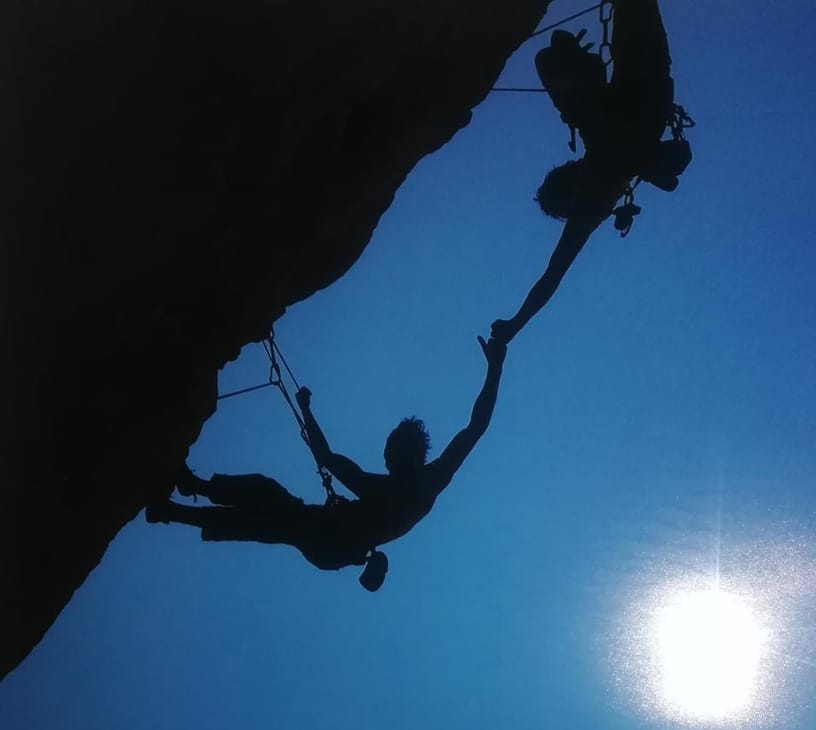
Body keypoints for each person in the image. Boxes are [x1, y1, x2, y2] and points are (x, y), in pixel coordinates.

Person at [146, 335, 507, 591]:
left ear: (409, 453)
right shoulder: (401, 484)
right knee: (266, 502)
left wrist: (495, 367)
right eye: (386, 449)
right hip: (330, 538)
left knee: (265, 515)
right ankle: (184, 496)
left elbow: (476, 427)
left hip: (332, 542)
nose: (385, 456)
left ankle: (179, 503)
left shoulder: (414, 484)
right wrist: (306, 410)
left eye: (390, 449)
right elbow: (328, 458)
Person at [492, 0, 691, 344]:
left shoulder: (595, 197)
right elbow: (551, 276)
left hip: (643, 86)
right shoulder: (594, 194)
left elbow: (552, 275)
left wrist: (515, 324)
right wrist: (514, 324)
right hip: (642, 81)